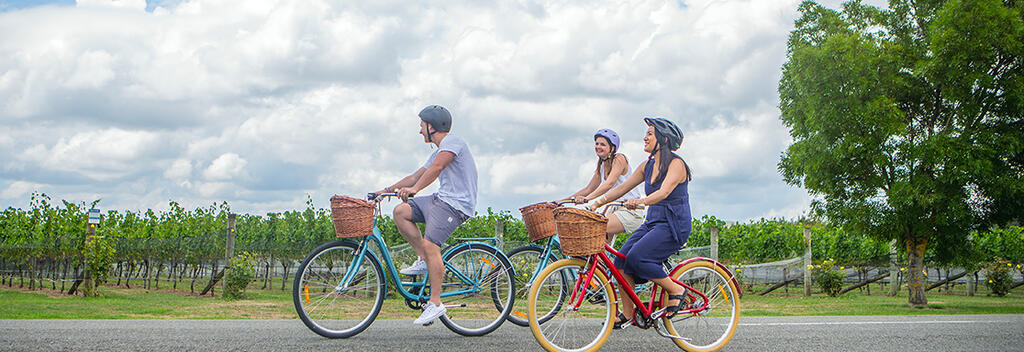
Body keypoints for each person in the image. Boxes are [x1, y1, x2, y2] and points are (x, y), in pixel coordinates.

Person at [373, 105, 478, 326]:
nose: (420, 131)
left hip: (455, 205)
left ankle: (436, 303)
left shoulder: (453, 142)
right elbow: (415, 176)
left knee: (433, 246)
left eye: (421, 126)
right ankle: (423, 259)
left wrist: (416, 190)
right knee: (401, 211)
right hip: (440, 199)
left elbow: (437, 168)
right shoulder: (438, 150)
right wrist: (385, 191)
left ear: (432, 126)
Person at [588, 117, 692, 329]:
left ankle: (676, 290)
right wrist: (596, 203)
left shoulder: (677, 164)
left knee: (638, 257)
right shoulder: (647, 165)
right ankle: (628, 313)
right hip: (653, 221)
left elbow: (664, 192)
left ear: (663, 139)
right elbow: (621, 188)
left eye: (649, 134)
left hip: (673, 224)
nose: (644, 138)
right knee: (620, 262)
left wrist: (641, 201)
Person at [561, 129, 645, 243]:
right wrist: (562, 201)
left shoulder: (619, 159)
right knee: (596, 247)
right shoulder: (601, 164)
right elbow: (589, 188)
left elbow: (609, 183)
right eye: (597, 143)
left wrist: (588, 199)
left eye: (603, 144)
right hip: (612, 209)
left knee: (595, 228)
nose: (598, 147)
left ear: (612, 148)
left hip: (629, 210)